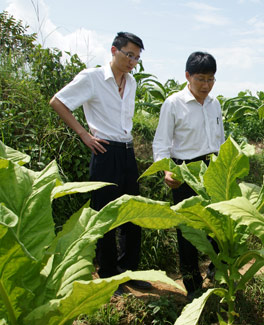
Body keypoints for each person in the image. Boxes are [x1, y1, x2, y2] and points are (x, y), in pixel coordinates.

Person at [49, 32, 151, 294]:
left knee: (133, 212)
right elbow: (58, 102)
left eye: (137, 58)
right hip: (104, 152)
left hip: (127, 152)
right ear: (114, 50)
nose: (132, 62)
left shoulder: (132, 83)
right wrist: (84, 135)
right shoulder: (92, 77)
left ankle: (128, 272)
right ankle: (107, 274)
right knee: (104, 215)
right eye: (129, 55)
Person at [152, 51, 224, 299]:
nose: (206, 85)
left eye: (211, 79)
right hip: (184, 170)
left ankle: (217, 275)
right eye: (201, 79)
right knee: (188, 231)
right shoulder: (174, 103)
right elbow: (161, 142)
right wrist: (167, 170)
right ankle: (192, 287)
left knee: (217, 225)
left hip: (212, 168)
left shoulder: (215, 104)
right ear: (188, 76)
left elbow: (220, 140)